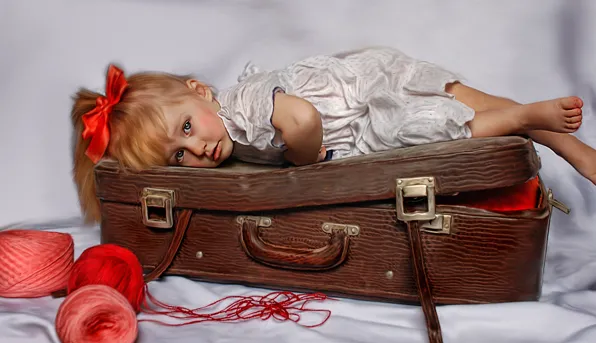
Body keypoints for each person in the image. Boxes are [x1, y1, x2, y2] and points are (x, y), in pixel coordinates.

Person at [72, 46, 596, 223]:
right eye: (180, 159)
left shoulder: (244, 109)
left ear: (201, 90)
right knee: (468, 98)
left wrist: (303, 161)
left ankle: (522, 121)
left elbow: (300, 122)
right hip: (368, 74)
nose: (198, 149)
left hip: (361, 108)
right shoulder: (226, 122)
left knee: (440, 128)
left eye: (187, 128)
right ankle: (556, 135)